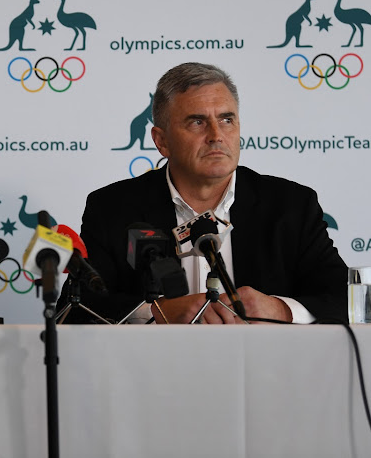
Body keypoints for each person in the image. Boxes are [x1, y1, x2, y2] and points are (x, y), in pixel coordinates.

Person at [65, 62, 347, 324]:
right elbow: (75, 306)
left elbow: (345, 297)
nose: (216, 135)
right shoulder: (114, 207)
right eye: (197, 122)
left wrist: (281, 309)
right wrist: (155, 312)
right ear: (161, 141)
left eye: (226, 120)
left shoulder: (290, 205)